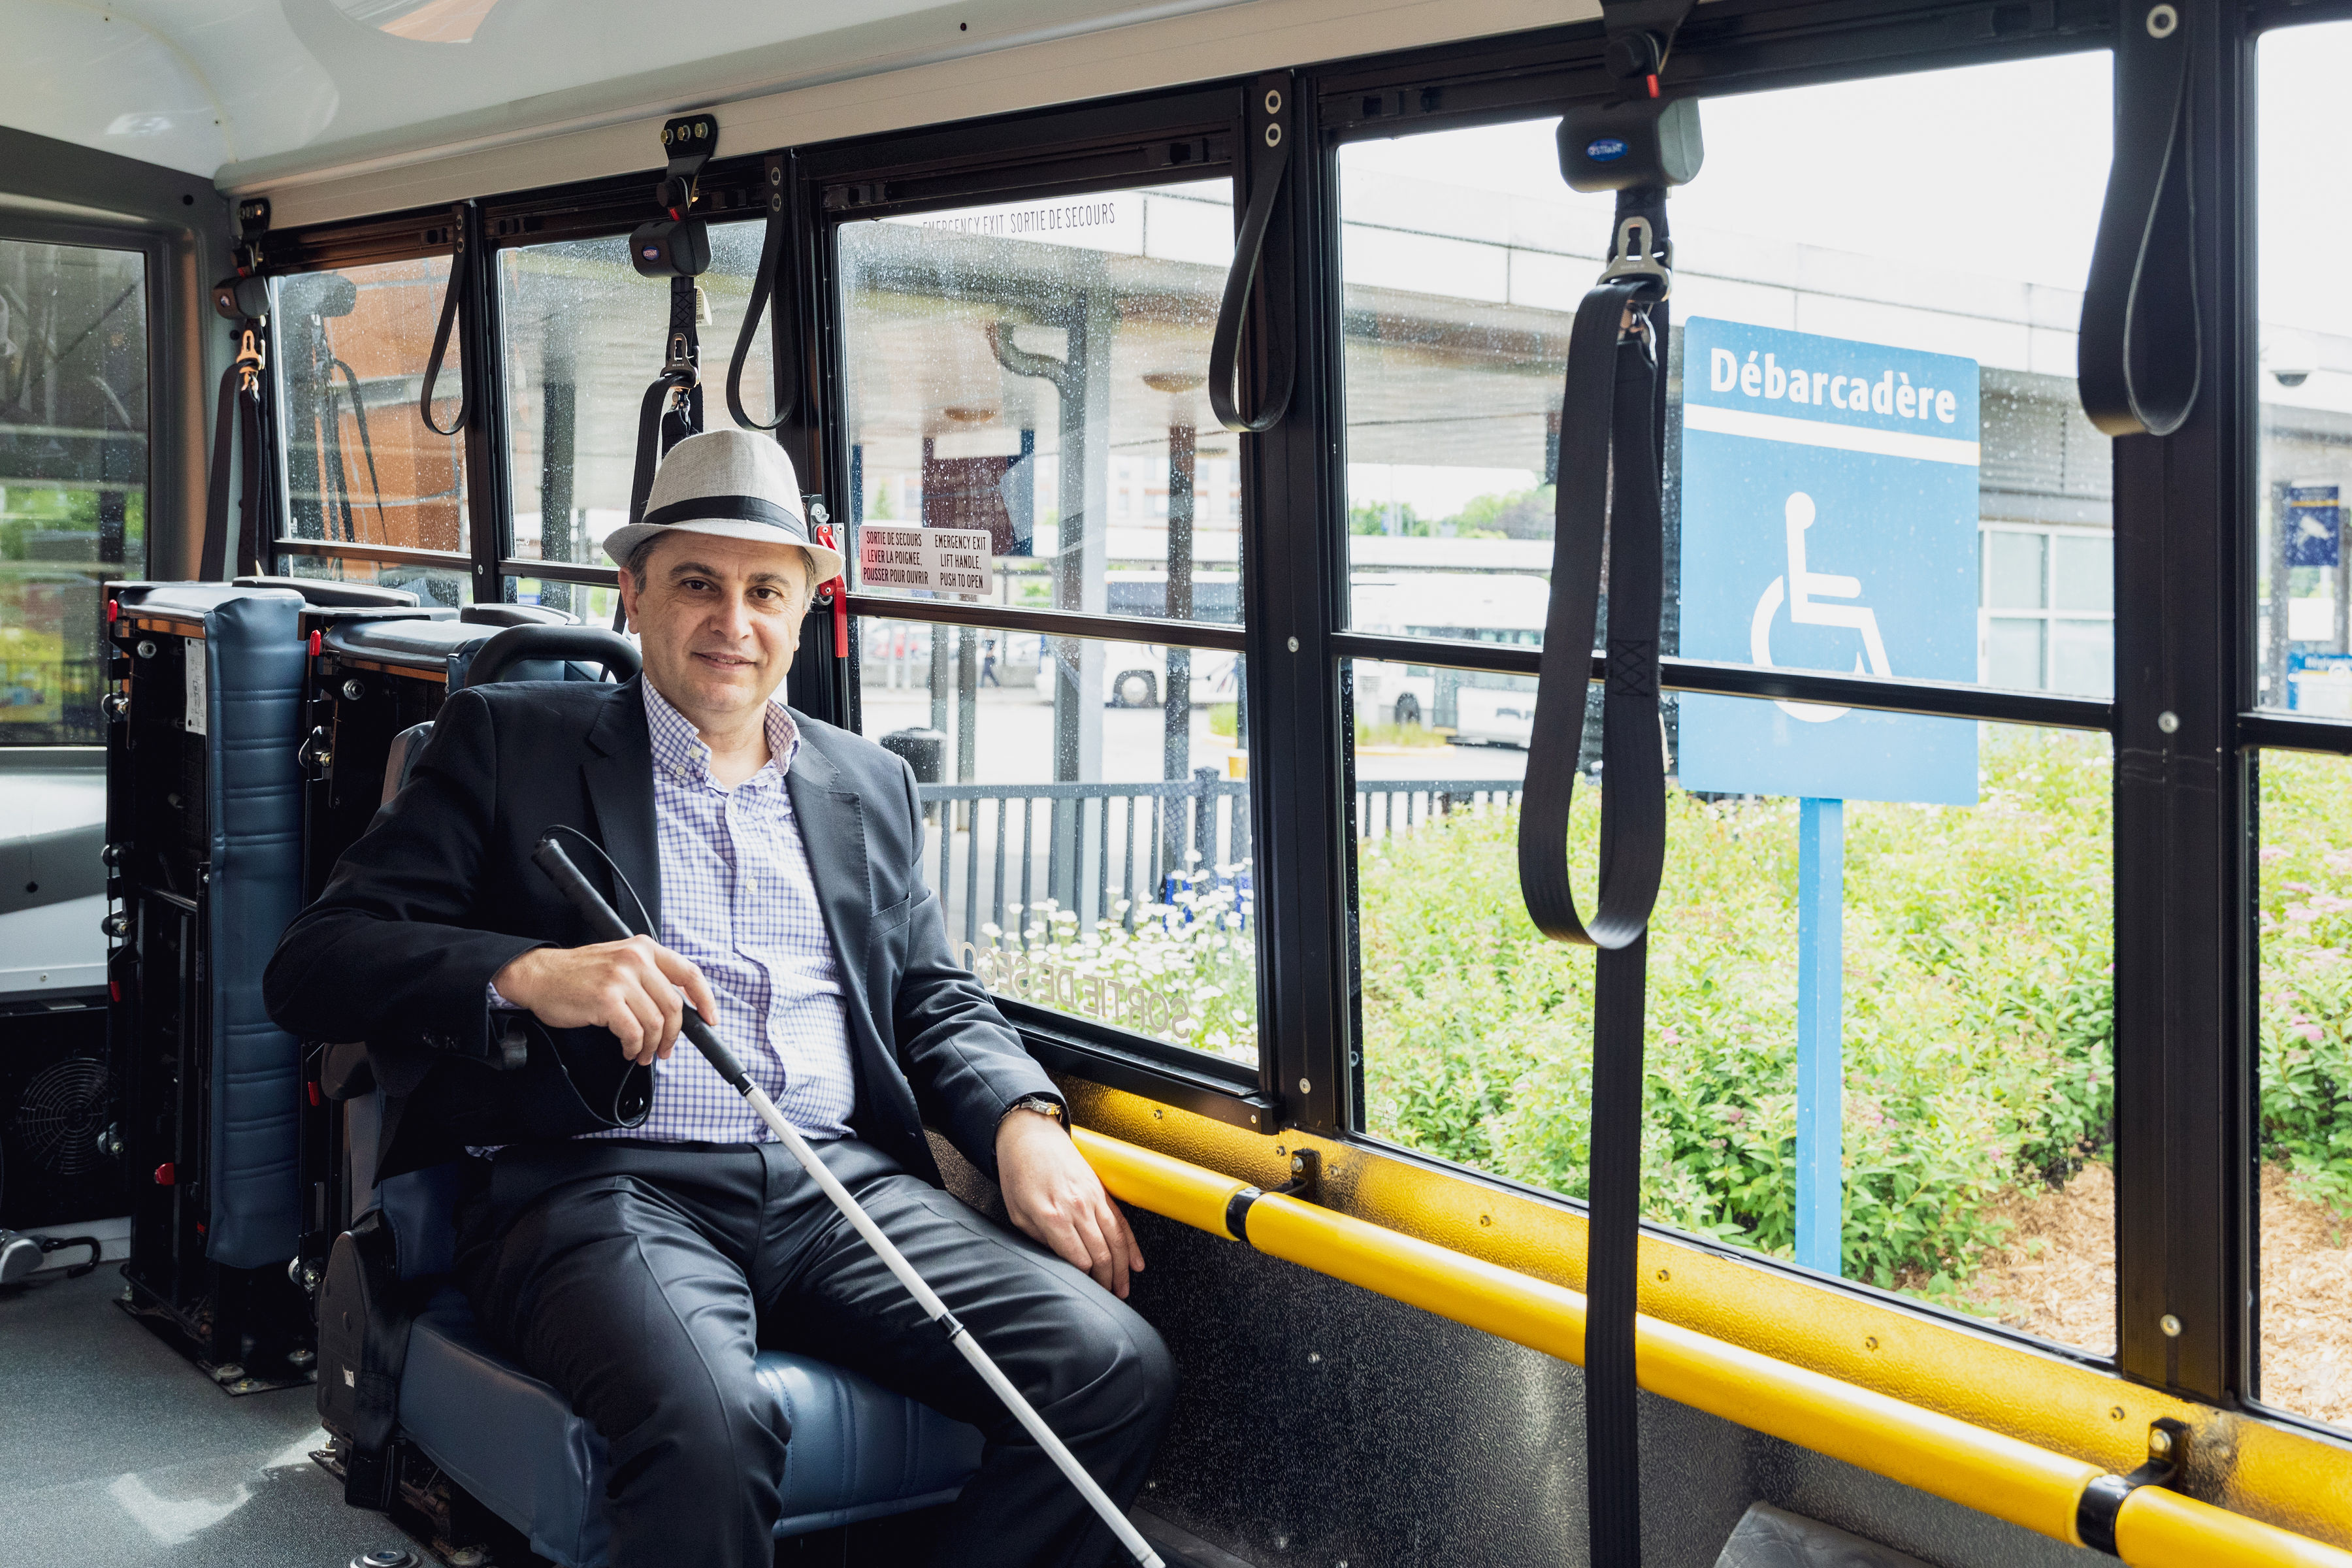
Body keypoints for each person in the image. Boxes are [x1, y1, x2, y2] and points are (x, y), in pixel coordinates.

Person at [265, 429, 1173, 1568]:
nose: (732, 622)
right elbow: (315, 963)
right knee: (710, 1427)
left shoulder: (868, 784)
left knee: (1112, 1367)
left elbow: (933, 996)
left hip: (835, 1185)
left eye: (764, 592)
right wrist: (531, 973)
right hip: (601, 1186)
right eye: (697, 584)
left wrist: (1021, 1123)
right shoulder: (505, 742)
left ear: (804, 612)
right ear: (634, 592)